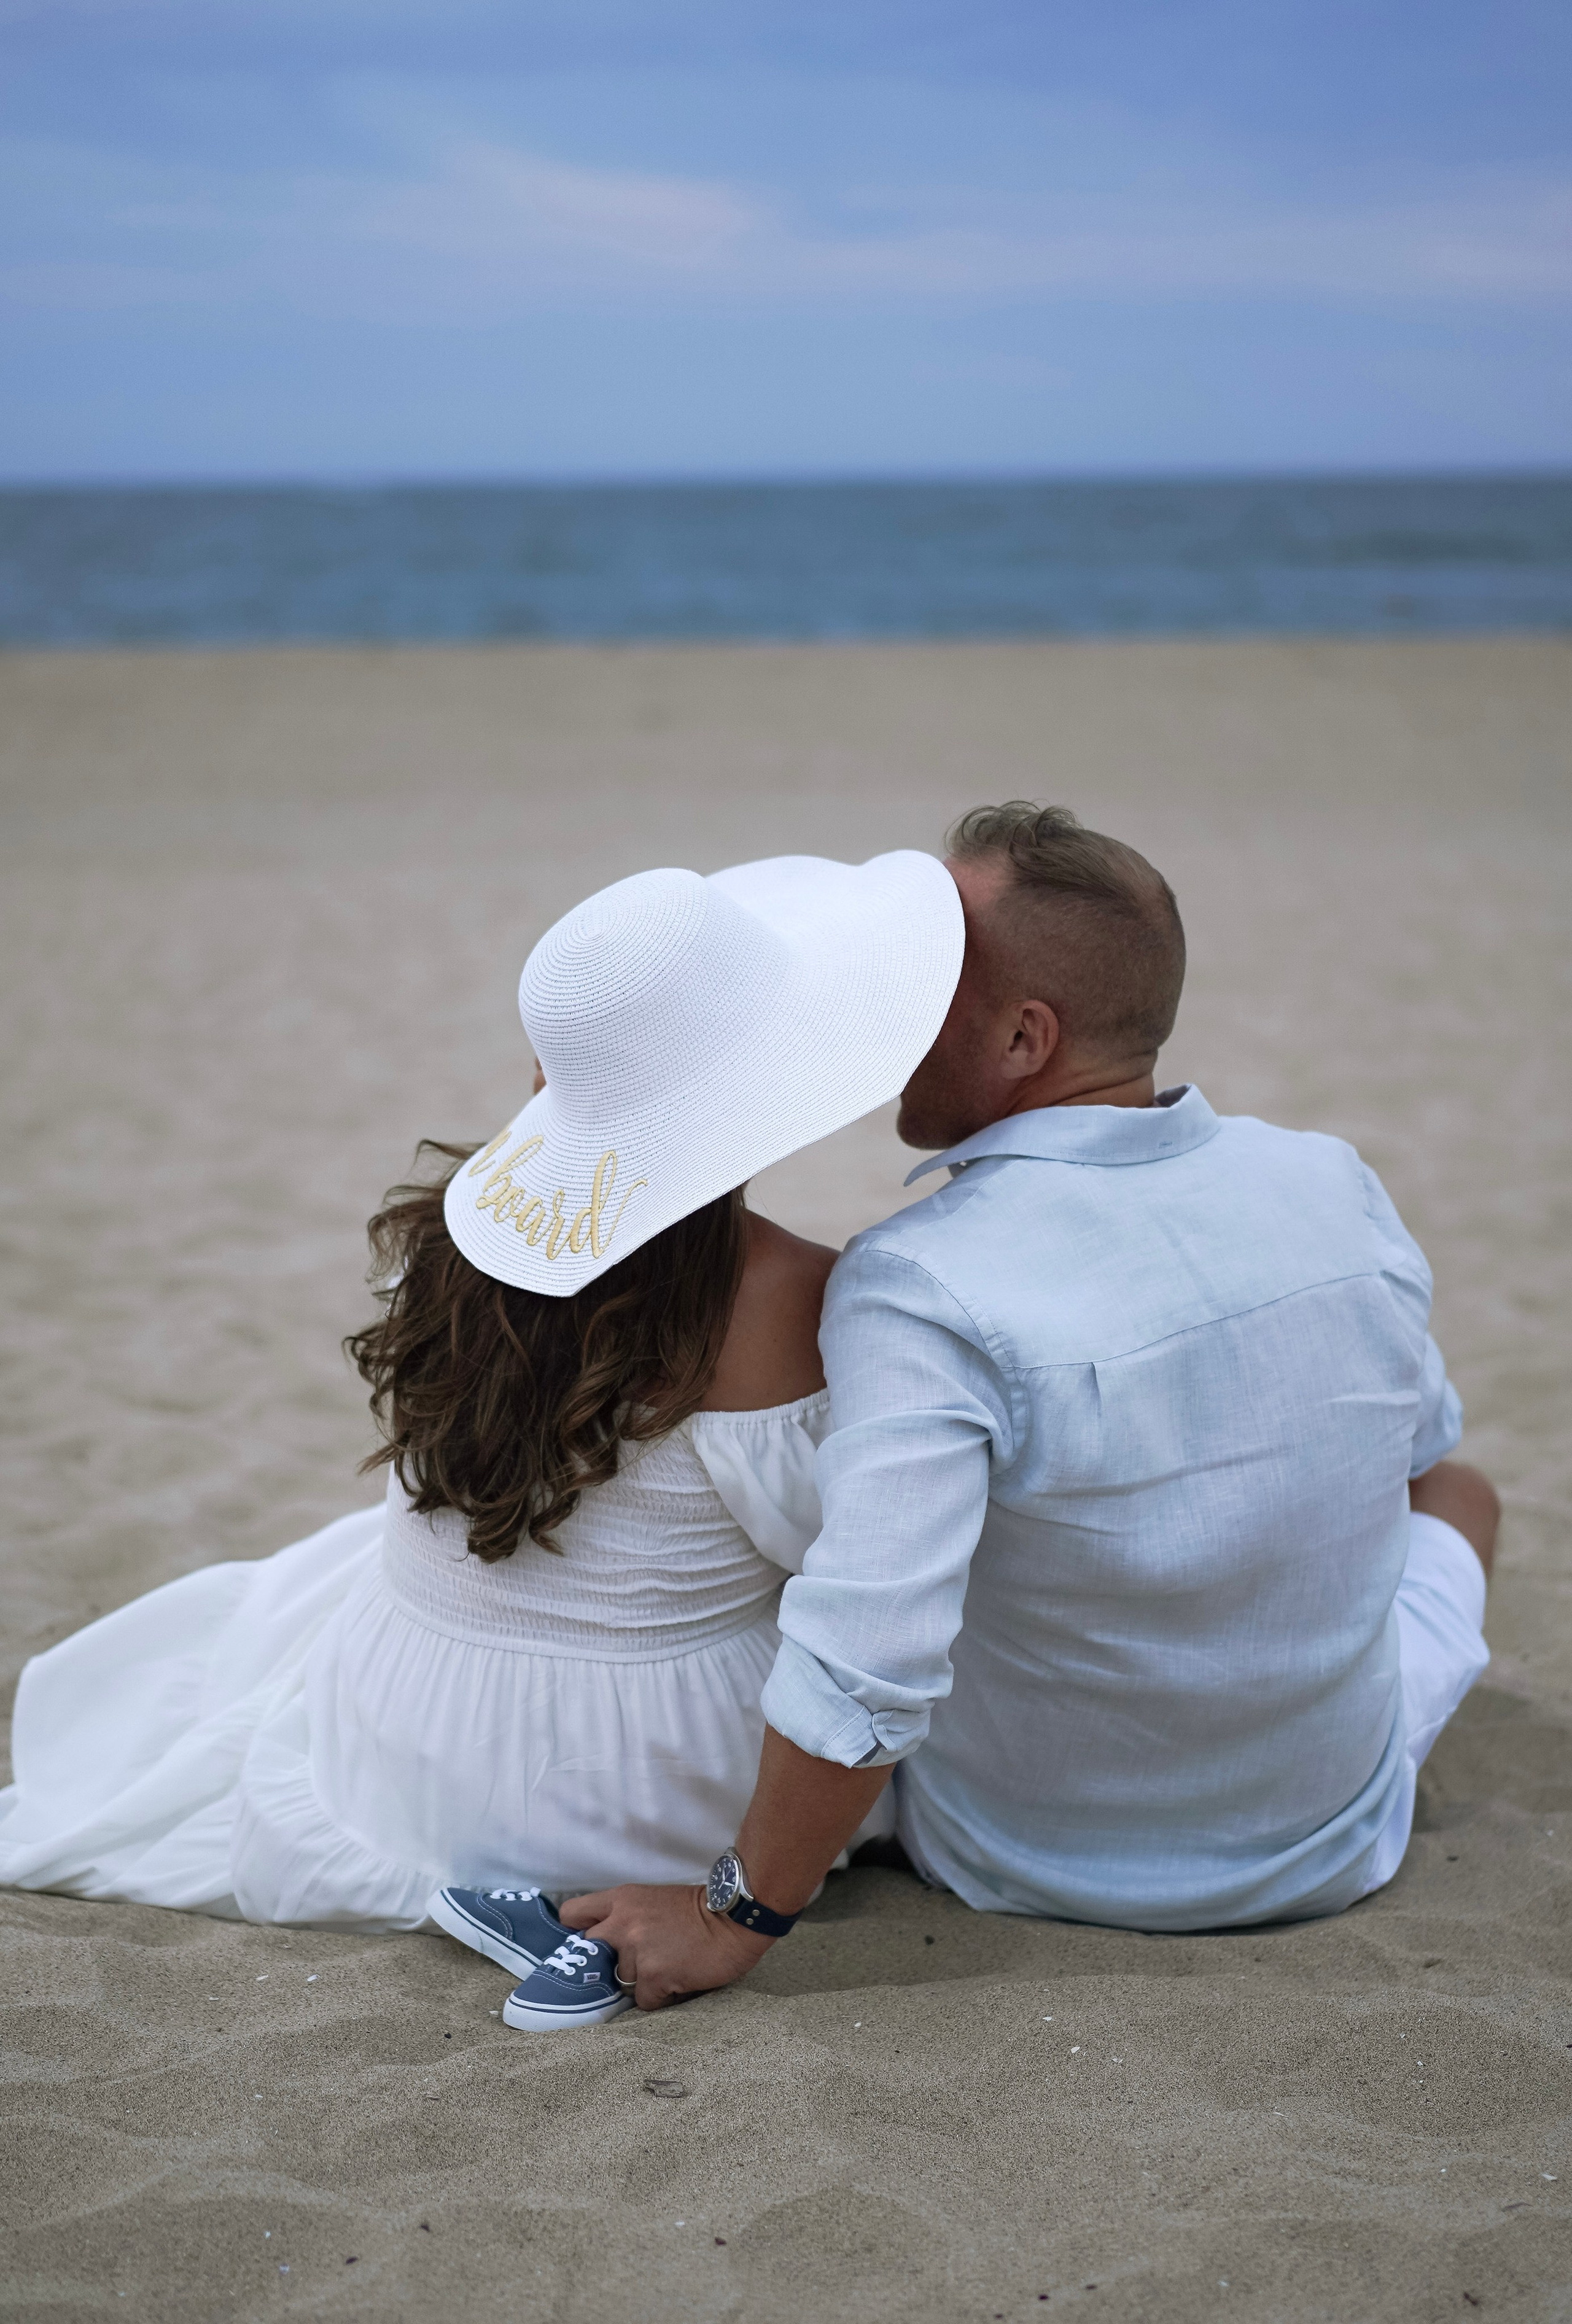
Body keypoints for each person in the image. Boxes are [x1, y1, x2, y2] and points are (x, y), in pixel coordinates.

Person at [0, 850, 963, 2027]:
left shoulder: (453, 1243)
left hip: (405, 1730)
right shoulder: (786, 1293)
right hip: (642, 1780)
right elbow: (834, 1552)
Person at [565, 803, 1501, 2008]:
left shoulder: (919, 1282)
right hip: (1330, 1830)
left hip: (1037, 1856)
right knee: (1456, 1490)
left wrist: (732, 1917)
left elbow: (870, 1660)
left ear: (1021, 1035)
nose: (881, 1016)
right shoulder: (1328, 1180)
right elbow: (1410, 1454)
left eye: (920, 985)